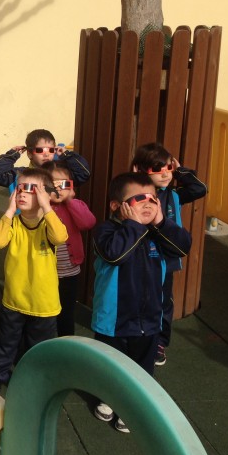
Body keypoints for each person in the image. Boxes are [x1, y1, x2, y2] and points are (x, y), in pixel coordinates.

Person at [91, 172, 192, 432]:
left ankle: (133, 406)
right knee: (110, 365)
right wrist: (134, 225)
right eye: (139, 199)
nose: (147, 204)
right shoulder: (106, 231)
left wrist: (162, 222)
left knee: (142, 368)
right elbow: (115, 255)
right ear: (117, 206)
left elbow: (182, 247)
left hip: (149, 320)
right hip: (113, 320)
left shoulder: (157, 233)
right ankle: (109, 396)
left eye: (152, 199)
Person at [0, 168, 68, 393]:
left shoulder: (49, 223)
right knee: (5, 343)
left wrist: (47, 207)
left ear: (45, 194)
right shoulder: (14, 222)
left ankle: (36, 379)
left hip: (44, 304)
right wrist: (9, 211)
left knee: (38, 346)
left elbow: (60, 237)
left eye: (31, 189)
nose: (22, 193)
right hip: (14, 300)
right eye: (19, 188)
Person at [130, 142, 207, 366]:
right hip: (142, 257)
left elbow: (199, 189)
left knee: (164, 300)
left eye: (168, 167)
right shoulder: (136, 194)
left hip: (166, 257)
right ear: (141, 170)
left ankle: (160, 342)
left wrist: (181, 171)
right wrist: (137, 179)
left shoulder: (173, 194)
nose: (165, 173)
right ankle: (137, 335)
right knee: (140, 297)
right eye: (157, 168)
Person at [42, 161, 97, 337]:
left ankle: (66, 342)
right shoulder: (40, 208)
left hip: (69, 272)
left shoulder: (75, 205)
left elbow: (88, 223)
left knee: (66, 312)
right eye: (52, 184)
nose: (58, 189)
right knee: (45, 313)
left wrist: (70, 200)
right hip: (44, 273)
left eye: (64, 184)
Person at [0, 129, 90, 191]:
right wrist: (12, 155)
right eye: (40, 150)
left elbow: (84, 173)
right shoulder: (21, 175)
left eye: (50, 150)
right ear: (29, 154)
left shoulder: (61, 174)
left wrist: (67, 155)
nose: (46, 154)